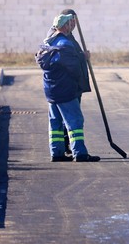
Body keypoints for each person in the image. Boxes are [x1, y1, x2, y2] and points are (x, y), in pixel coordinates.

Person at [36, 12, 100, 162]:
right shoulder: (65, 44)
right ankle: (80, 153)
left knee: (56, 121)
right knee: (75, 121)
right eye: (70, 23)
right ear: (65, 26)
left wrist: (80, 56)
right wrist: (81, 64)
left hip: (51, 90)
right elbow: (74, 68)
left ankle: (56, 153)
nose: (72, 26)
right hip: (66, 90)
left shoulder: (48, 42)